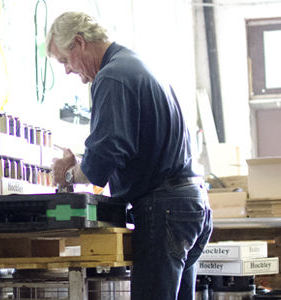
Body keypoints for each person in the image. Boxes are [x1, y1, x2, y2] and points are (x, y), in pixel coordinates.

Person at [47, 11, 213, 300]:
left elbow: (103, 159)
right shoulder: (136, 65)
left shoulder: (112, 76)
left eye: (64, 60)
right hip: (191, 203)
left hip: (165, 209)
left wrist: (69, 173)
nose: (67, 71)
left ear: (79, 42)